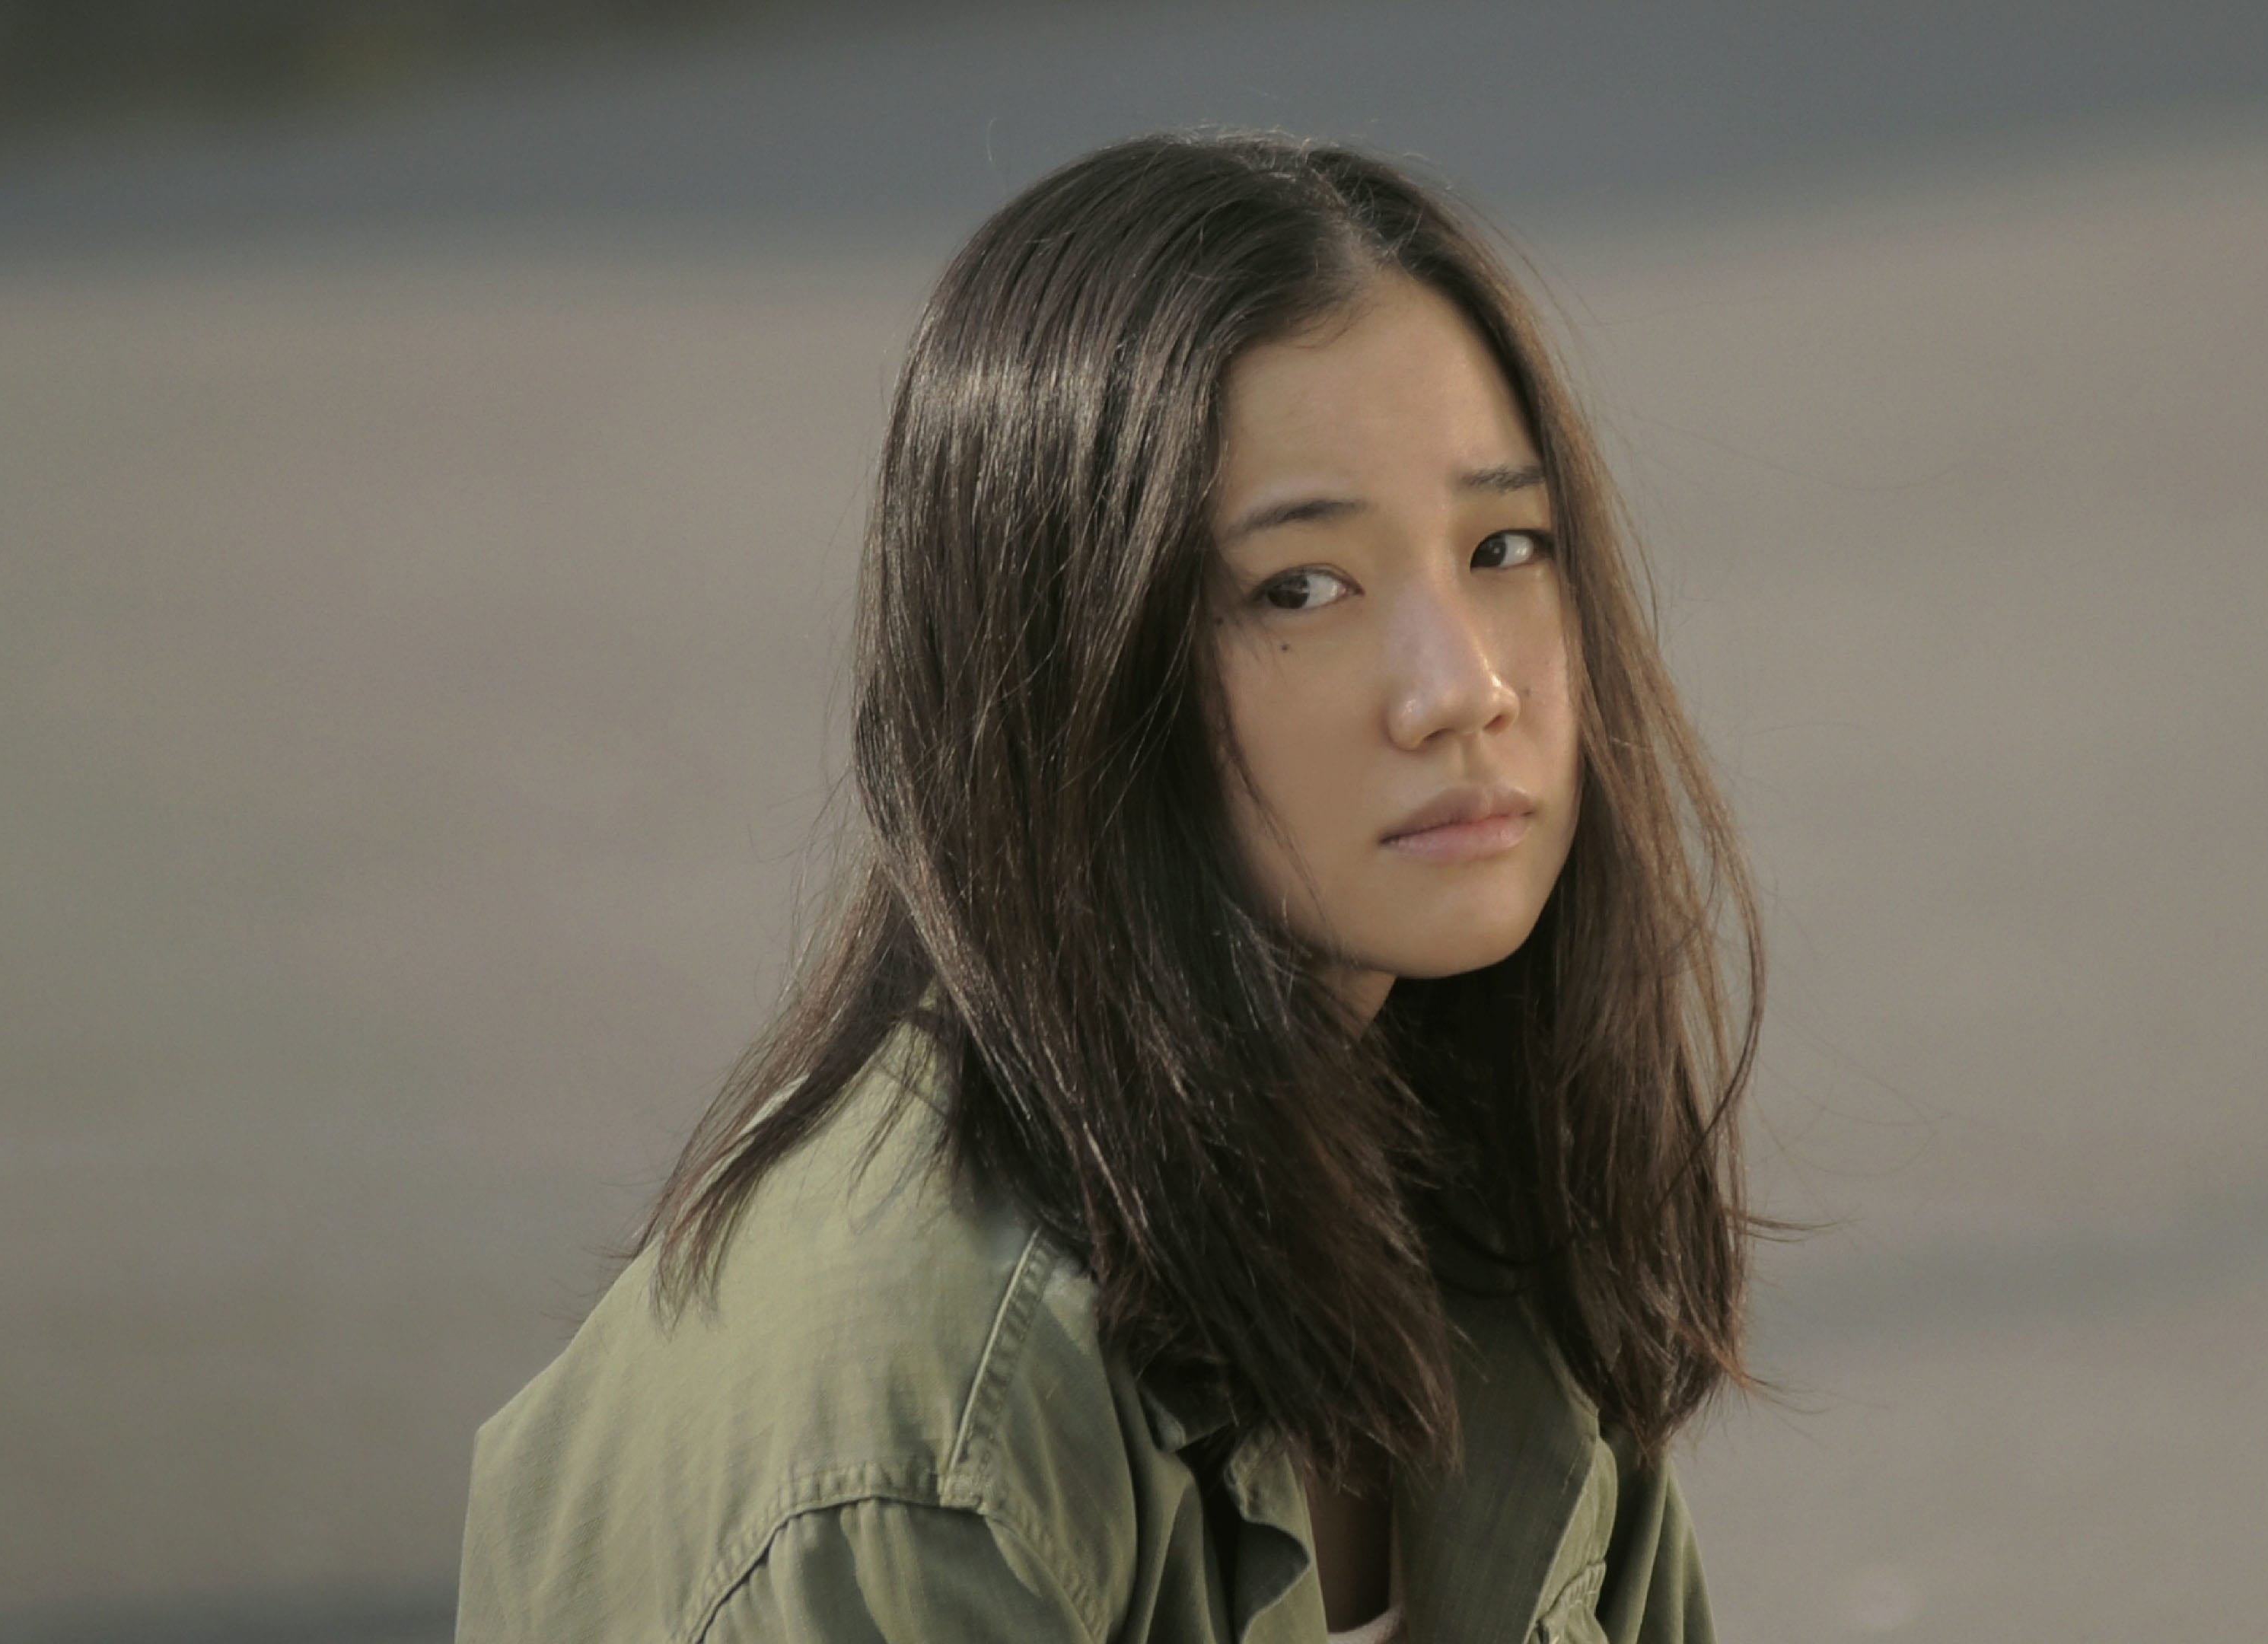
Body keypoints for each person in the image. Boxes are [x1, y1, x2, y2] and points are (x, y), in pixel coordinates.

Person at [455, 130, 1766, 1643]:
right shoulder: (922, 1435)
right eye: (1301, 587)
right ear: (1073, 671)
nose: (1463, 688)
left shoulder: (1479, 1196)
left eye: (1505, 546)